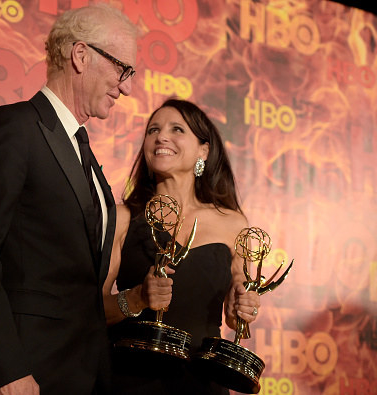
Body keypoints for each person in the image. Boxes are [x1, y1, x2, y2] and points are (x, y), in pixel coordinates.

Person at [0, 4, 138, 394]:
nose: (127, 86)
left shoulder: (83, 151)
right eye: (123, 68)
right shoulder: (13, 128)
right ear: (80, 56)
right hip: (26, 375)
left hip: (83, 375)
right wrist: (7, 371)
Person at [103, 99, 261, 394]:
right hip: (131, 380)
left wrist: (243, 307)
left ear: (204, 149)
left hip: (201, 384)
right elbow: (92, 312)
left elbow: (233, 310)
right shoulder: (123, 218)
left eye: (177, 129)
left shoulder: (233, 223)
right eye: (153, 130)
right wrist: (137, 298)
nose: (161, 137)